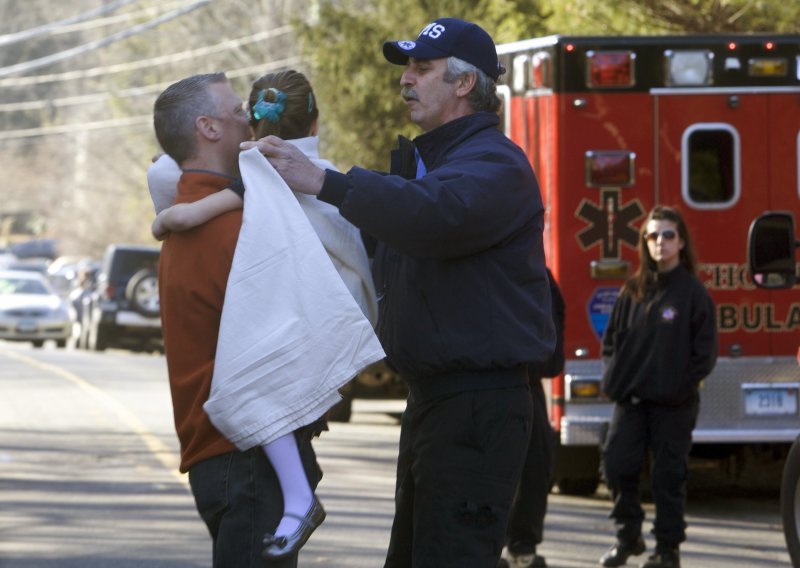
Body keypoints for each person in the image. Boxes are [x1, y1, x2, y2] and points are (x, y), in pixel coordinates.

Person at [244, 17, 556, 566]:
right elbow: (374, 238)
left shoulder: (494, 164)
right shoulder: (432, 166)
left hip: (478, 406)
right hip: (436, 403)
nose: (406, 79)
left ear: (464, 84)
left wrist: (325, 182)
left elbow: (436, 214)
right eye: (406, 67)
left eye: (422, 67)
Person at [150, 70, 381, 561]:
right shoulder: (246, 228)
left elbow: (166, 177)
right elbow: (301, 331)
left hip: (219, 452)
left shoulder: (191, 210)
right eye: (237, 112)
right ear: (208, 128)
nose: (249, 122)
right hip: (247, 454)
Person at [598, 206, 718, 568]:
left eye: (667, 235)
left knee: (668, 477)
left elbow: (705, 354)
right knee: (616, 466)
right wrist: (615, 378)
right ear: (644, 243)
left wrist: (681, 387)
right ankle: (628, 538)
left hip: (673, 405)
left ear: (681, 242)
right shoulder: (632, 290)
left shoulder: (693, 294)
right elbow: (610, 345)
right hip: (630, 402)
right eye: (652, 236)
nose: (660, 242)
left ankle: (667, 550)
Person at [501, 269, 565, 568]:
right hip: (482, 384)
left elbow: (554, 332)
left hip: (528, 383)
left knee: (535, 469)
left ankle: (522, 547)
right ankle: (488, 548)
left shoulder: (538, 274)